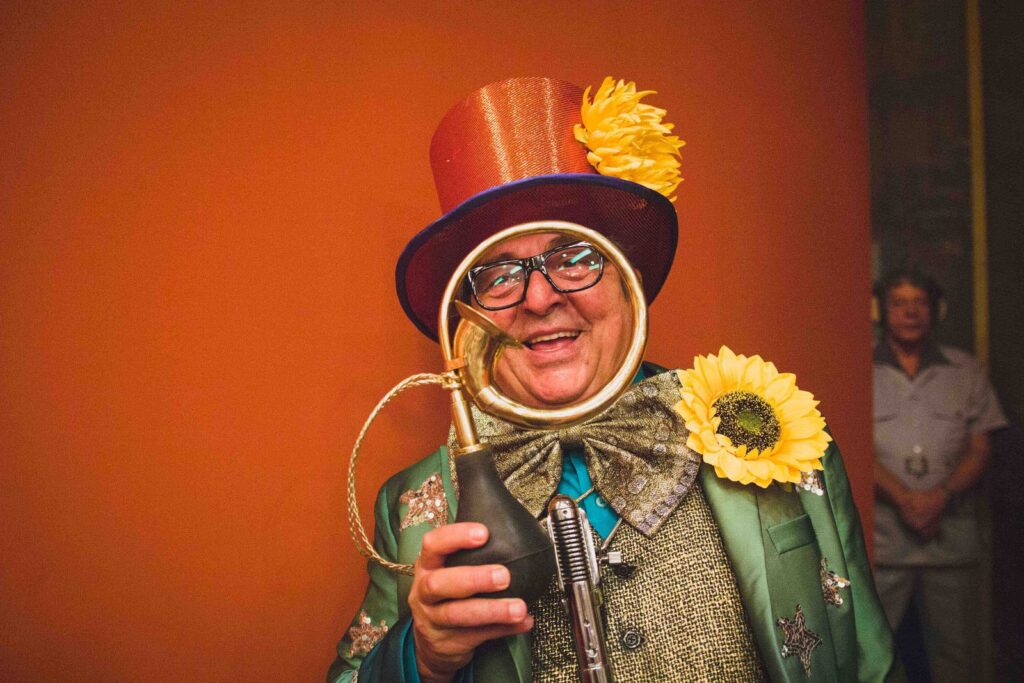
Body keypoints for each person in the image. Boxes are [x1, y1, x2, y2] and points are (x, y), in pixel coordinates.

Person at [329, 76, 901, 682]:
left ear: (630, 284)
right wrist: (422, 657)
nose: (540, 298)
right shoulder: (412, 505)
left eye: (575, 257)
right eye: (498, 275)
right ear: (466, 319)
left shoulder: (773, 433)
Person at [872, 268, 1007, 683]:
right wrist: (904, 498)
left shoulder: (965, 370)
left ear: (935, 310)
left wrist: (940, 496)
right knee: (872, 654)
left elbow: (980, 447)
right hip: (882, 544)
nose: (910, 312)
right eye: (899, 303)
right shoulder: (859, 365)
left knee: (957, 656)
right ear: (881, 311)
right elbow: (847, 442)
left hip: (950, 543)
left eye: (919, 303)